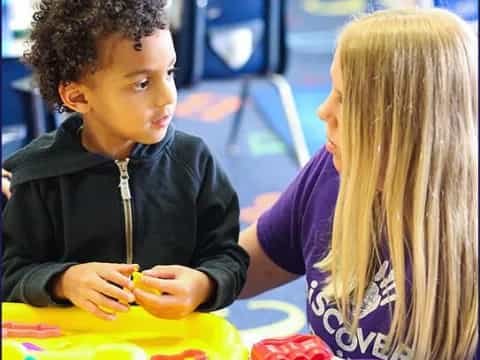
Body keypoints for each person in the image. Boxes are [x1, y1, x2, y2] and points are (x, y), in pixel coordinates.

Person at [239, 8, 477, 360]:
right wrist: (193, 279)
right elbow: (246, 265)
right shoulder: (334, 168)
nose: (323, 110)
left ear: (402, 128)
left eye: (346, 100)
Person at [2, 0, 249, 322]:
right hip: (75, 345)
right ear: (78, 97)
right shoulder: (34, 176)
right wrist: (63, 281)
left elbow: (228, 256)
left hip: (174, 340)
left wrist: (204, 284)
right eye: (142, 83)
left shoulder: (194, 161)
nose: (167, 97)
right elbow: (11, 273)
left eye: (169, 72)